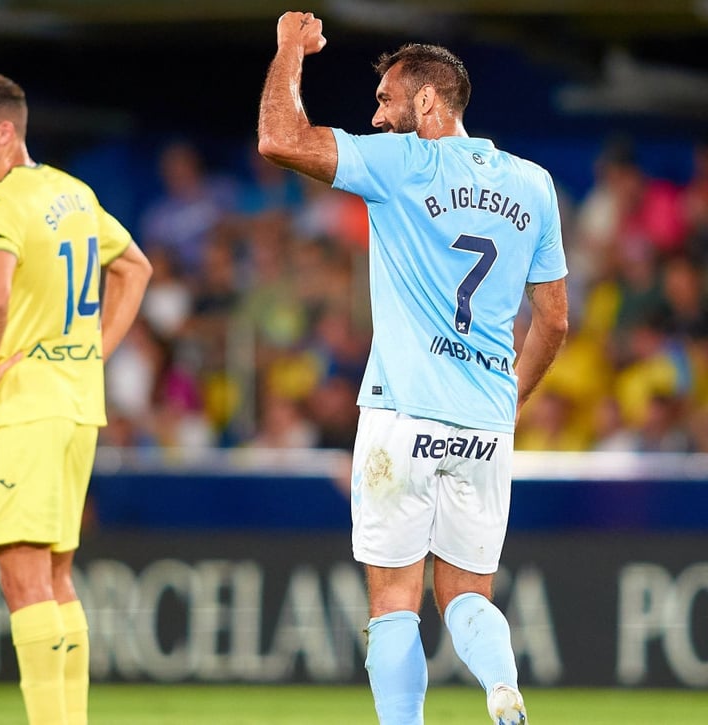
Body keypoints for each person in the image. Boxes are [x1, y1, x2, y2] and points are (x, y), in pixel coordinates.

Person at [257, 14, 569, 725]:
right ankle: (501, 686)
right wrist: (510, 396)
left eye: (386, 101)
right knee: (467, 592)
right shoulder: (534, 184)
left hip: (402, 414)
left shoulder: (400, 164)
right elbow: (553, 319)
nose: (376, 115)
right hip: (485, 422)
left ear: (427, 103)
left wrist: (288, 51)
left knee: (393, 598)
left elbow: (279, 138)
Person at [0, 73, 151, 725]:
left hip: (27, 406)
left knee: (23, 580)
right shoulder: (74, 192)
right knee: (58, 578)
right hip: (77, 405)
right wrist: (94, 350)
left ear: (4, 131)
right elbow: (135, 268)